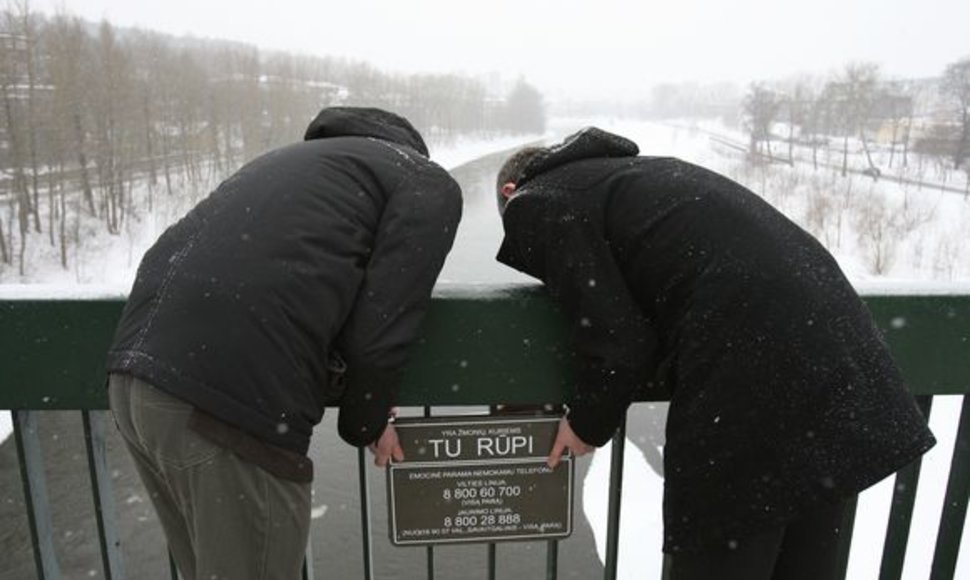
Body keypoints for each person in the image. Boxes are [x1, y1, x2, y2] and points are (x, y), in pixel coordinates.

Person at [494, 127, 935, 579]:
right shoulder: (634, 177)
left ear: (510, 192)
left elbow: (619, 340)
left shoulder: (539, 199)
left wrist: (585, 424)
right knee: (805, 550)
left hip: (753, 367)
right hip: (831, 349)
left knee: (720, 541)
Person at [106, 106, 462, 580]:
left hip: (136, 382)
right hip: (226, 402)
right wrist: (367, 419)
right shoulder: (422, 178)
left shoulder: (293, 163)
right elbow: (386, 320)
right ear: (410, 148)